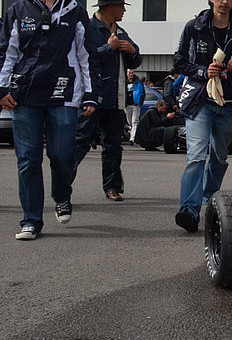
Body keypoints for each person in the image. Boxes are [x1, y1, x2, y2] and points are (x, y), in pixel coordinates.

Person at [0, 0, 98, 240]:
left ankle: (62, 195)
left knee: (63, 154)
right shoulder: (17, 10)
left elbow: (87, 54)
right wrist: (1, 88)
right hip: (24, 94)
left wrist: (90, 93)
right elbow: (7, 51)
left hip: (64, 92)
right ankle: (31, 220)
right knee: (27, 159)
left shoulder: (75, 11)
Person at [173, 0, 232, 232]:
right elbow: (179, 60)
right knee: (196, 156)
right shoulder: (194, 26)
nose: (225, 2)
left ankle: (210, 200)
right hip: (200, 100)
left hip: (228, 103)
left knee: (219, 156)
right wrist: (202, 71)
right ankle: (189, 209)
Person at [73, 0, 140, 203]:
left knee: (113, 146)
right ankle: (63, 185)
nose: (124, 10)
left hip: (116, 99)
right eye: (121, 6)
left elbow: (136, 60)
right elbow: (85, 57)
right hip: (92, 97)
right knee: (80, 142)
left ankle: (112, 187)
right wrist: (107, 48)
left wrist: (132, 51)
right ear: (109, 8)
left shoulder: (120, 31)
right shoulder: (88, 29)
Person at [124, 68, 144, 144]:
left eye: (132, 73)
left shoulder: (138, 82)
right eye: (130, 73)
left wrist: (140, 102)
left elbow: (142, 93)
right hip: (127, 105)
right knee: (129, 122)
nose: (131, 75)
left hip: (135, 104)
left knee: (135, 121)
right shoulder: (124, 81)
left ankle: (132, 139)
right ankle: (131, 132)